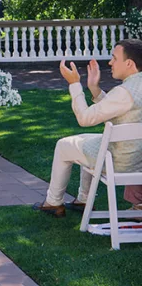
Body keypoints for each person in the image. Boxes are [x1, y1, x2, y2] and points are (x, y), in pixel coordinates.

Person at [33, 39, 142, 217]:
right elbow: (119, 109)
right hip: (137, 158)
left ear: (129, 63)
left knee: (63, 145)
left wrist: (74, 84)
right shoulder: (134, 88)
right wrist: (94, 88)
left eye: (114, 58)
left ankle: (53, 202)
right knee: (86, 139)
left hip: (119, 161)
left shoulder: (124, 91)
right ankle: (83, 200)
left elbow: (84, 118)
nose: (110, 63)